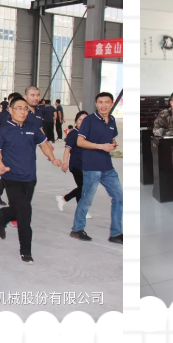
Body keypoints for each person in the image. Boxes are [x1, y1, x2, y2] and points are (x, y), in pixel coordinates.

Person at [0, 94, 59, 264]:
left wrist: (52, 158)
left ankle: (3, 215)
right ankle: (26, 251)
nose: (22, 112)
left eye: (25, 109)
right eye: (19, 108)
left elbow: (43, 144)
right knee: (25, 213)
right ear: (10, 110)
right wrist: (1, 166)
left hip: (30, 177)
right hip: (11, 177)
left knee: (19, 209)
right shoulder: (3, 130)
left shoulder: (33, 127)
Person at [69, 92, 123, 244]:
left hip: (107, 167)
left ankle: (116, 233)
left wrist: (113, 145)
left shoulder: (112, 120)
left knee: (119, 198)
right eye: (100, 102)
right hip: (92, 167)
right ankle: (77, 229)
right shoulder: (89, 120)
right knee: (86, 199)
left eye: (107, 102)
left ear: (112, 104)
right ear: (96, 104)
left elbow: (112, 138)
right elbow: (80, 142)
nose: (103, 105)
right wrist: (101, 146)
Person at [56, 110, 91, 213]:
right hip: (76, 165)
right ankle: (80, 210)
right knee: (84, 187)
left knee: (83, 187)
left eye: (85, 120)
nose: (82, 122)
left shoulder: (88, 133)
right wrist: (65, 163)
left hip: (87, 165)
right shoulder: (73, 134)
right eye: (80, 119)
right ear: (76, 121)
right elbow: (67, 149)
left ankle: (65, 200)